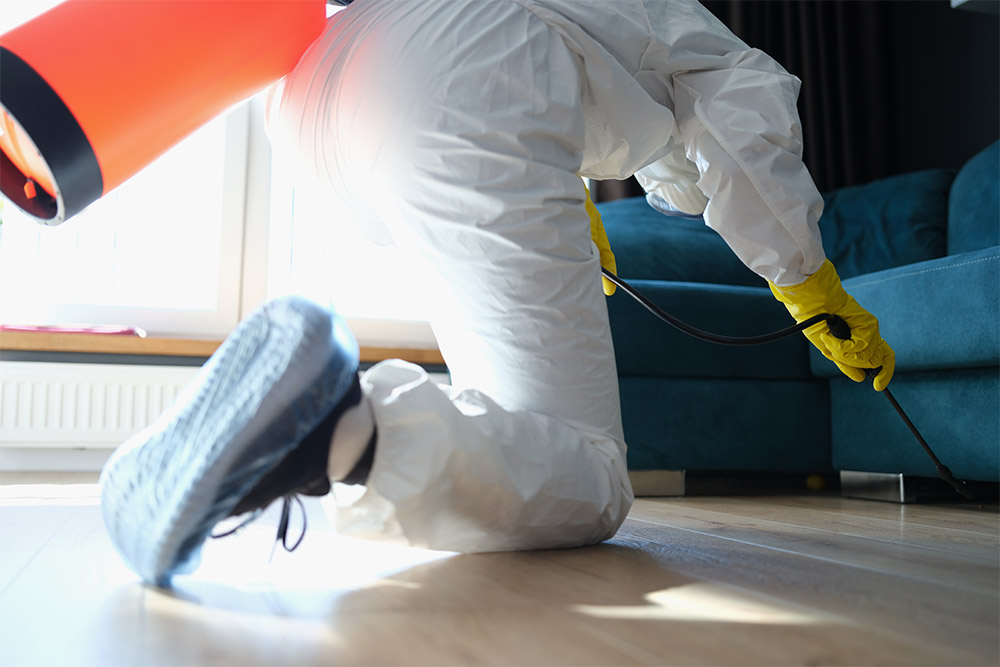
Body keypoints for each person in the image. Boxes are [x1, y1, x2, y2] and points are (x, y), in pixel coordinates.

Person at [100, 0, 895, 586]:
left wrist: (565, 186)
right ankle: (336, 429)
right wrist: (808, 283)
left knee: (513, 421)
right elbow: (742, 143)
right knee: (591, 478)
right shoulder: (703, 37)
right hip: (461, 82)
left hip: (321, 92)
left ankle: (276, 425)